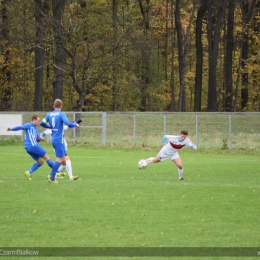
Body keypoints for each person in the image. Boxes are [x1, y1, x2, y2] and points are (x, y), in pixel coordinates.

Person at [40, 99, 79, 183]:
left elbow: (41, 123)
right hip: (59, 140)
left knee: (61, 159)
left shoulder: (49, 114)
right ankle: (52, 177)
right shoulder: (61, 114)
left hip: (53, 139)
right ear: (61, 106)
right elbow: (67, 123)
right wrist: (75, 124)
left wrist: (50, 127)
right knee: (60, 159)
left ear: (53, 106)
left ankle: (53, 177)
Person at [6, 115, 54, 180]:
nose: (39, 122)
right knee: (47, 157)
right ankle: (56, 172)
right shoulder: (28, 125)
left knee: (40, 162)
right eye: (38, 121)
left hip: (28, 148)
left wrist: (40, 139)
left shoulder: (35, 129)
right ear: (33, 120)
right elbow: (20, 127)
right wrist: (11, 129)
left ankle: (28, 172)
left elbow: (37, 139)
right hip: (33, 146)